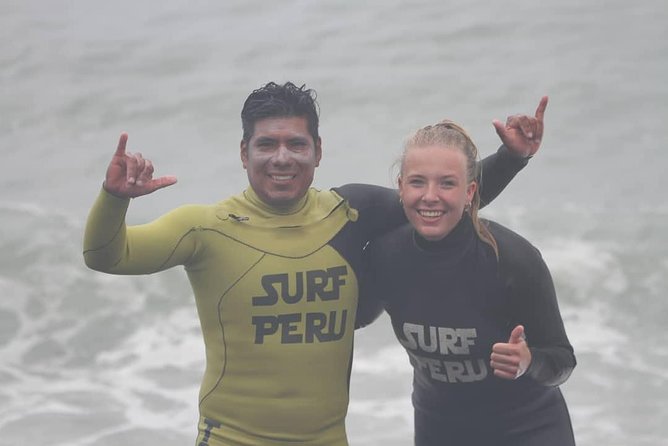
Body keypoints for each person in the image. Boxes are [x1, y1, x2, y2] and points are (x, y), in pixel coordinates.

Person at [83, 82, 542, 446]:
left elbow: (439, 204)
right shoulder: (205, 227)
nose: (282, 157)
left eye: (296, 144)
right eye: (266, 144)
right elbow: (107, 255)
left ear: (318, 152)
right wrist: (114, 199)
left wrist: (512, 157)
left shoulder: (350, 211)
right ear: (244, 153)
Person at [357, 116, 576, 446]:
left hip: (528, 430)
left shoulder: (511, 259)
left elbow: (562, 361)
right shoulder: (386, 256)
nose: (431, 196)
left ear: (470, 191)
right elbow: (354, 317)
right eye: (418, 182)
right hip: (439, 429)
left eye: (447, 183)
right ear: (401, 186)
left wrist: (528, 361)